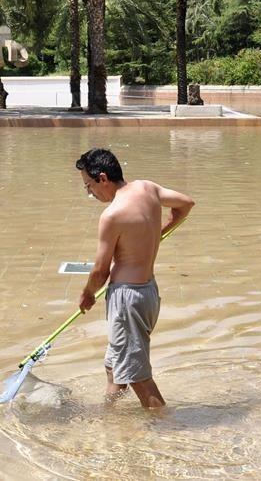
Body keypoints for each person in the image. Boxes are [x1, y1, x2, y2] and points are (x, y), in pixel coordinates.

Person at [75, 148, 195, 408]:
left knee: (139, 378)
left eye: (89, 186)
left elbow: (100, 271)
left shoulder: (112, 215)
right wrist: (158, 233)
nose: (90, 193)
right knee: (115, 367)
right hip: (148, 293)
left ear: (103, 178)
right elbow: (186, 204)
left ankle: (163, 430)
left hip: (128, 299)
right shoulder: (146, 188)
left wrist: (87, 294)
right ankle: (109, 413)